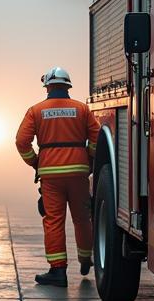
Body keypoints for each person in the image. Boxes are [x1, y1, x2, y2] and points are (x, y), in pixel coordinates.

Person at [15, 66, 100, 287]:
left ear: (48, 87)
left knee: (54, 220)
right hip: (80, 173)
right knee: (83, 219)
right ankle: (86, 259)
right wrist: (88, 160)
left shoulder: (36, 110)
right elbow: (97, 137)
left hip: (51, 176)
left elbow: (21, 142)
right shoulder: (82, 109)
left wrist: (35, 162)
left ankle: (58, 271)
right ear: (67, 86)